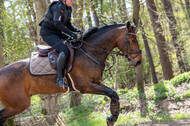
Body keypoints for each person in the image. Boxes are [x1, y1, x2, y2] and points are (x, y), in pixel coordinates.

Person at [39, 0, 83, 88]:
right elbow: (57, 23)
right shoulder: (58, 6)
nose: (72, 1)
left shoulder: (68, 9)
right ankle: (59, 79)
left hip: (56, 33)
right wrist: (71, 34)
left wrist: (76, 30)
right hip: (48, 33)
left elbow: (68, 24)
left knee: (75, 42)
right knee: (64, 50)